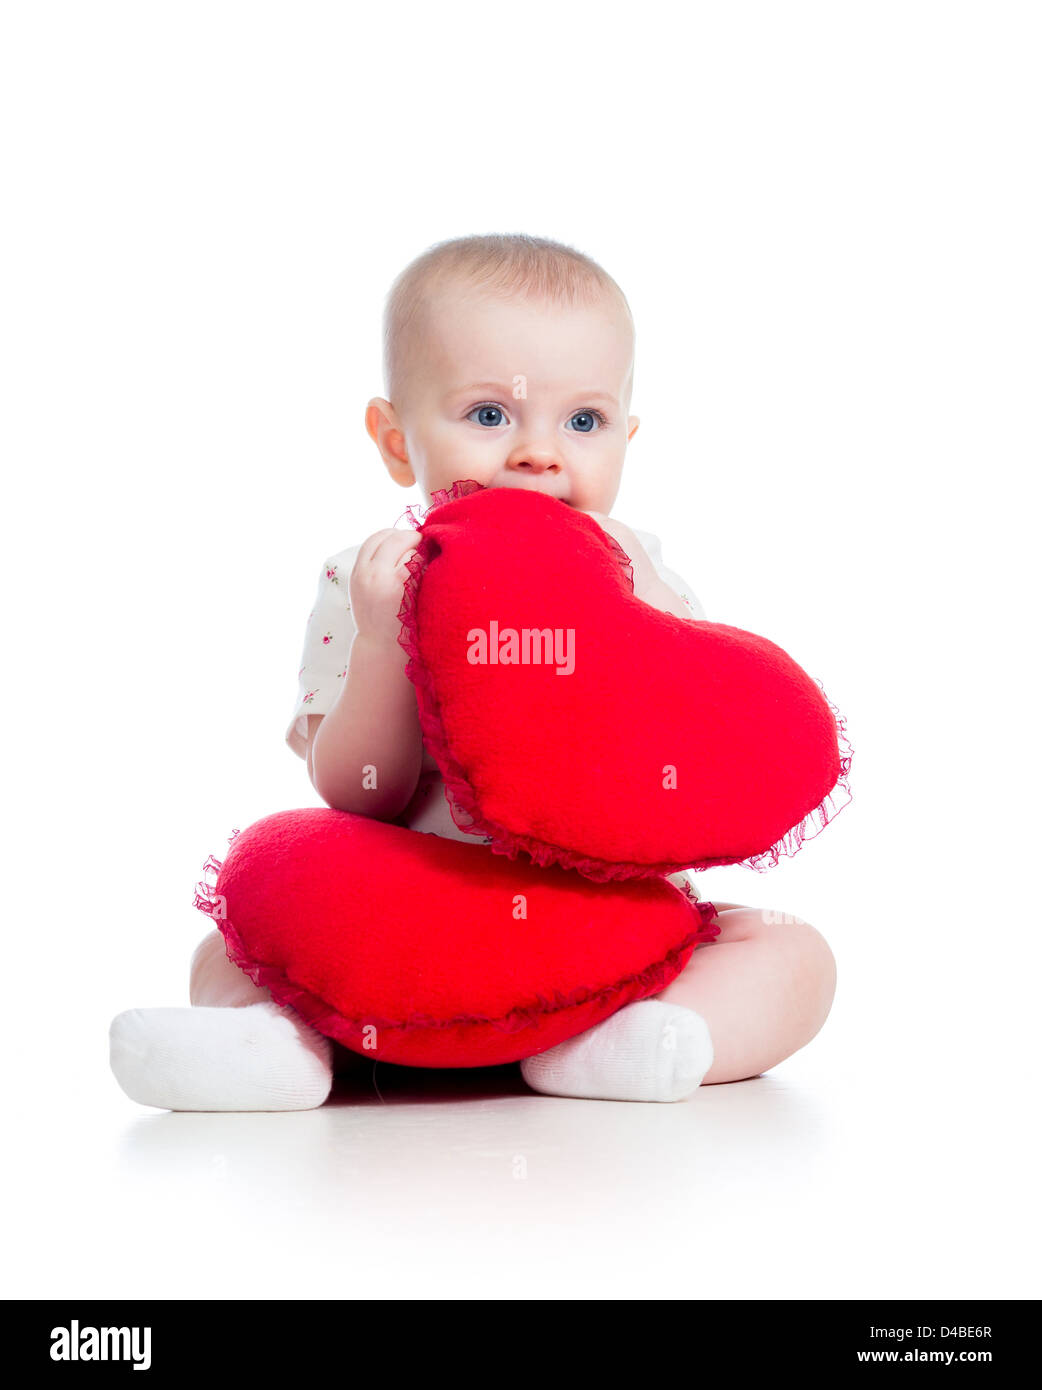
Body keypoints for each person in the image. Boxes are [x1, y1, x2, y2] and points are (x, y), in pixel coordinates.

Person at [109, 233, 837, 1111]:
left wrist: (640, 613)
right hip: (409, 922)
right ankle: (280, 1052)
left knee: (794, 957)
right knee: (235, 940)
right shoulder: (370, 576)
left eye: (585, 421)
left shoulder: (645, 578)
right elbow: (357, 793)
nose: (539, 452)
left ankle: (630, 1042)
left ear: (628, 436)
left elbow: (689, 779)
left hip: (596, 931)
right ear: (396, 441)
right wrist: (383, 646)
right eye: (489, 416)